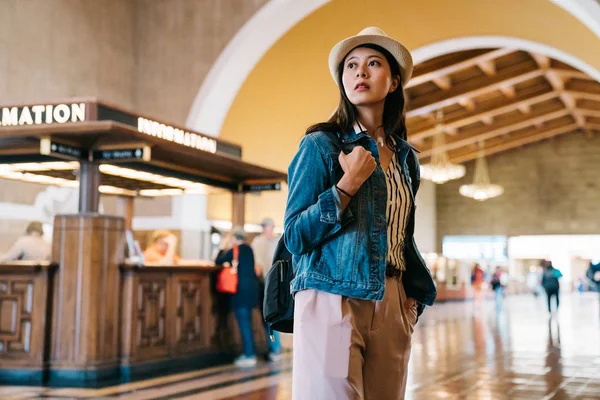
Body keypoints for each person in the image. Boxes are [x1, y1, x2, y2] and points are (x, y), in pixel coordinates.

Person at [284, 27, 436, 399]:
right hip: (331, 295)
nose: (360, 73)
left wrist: (408, 302)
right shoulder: (320, 145)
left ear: (395, 80)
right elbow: (295, 236)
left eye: (373, 64)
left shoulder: (406, 158)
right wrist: (345, 187)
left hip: (393, 299)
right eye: (351, 66)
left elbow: (402, 233)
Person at [215, 228, 259, 367]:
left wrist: (223, 245)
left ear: (234, 238)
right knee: (248, 323)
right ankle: (250, 352)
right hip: (251, 291)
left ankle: (249, 354)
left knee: (244, 323)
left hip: (239, 292)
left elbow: (218, 261)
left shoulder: (234, 250)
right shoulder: (250, 249)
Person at [250, 217, 282, 361]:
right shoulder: (259, 242)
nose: (266, 229)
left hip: (272, 285)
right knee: (269, 317)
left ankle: (275, 348)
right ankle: (274, 348)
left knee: (271, 317)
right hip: (266, 284)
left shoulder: (275, 241)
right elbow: (257, 267)